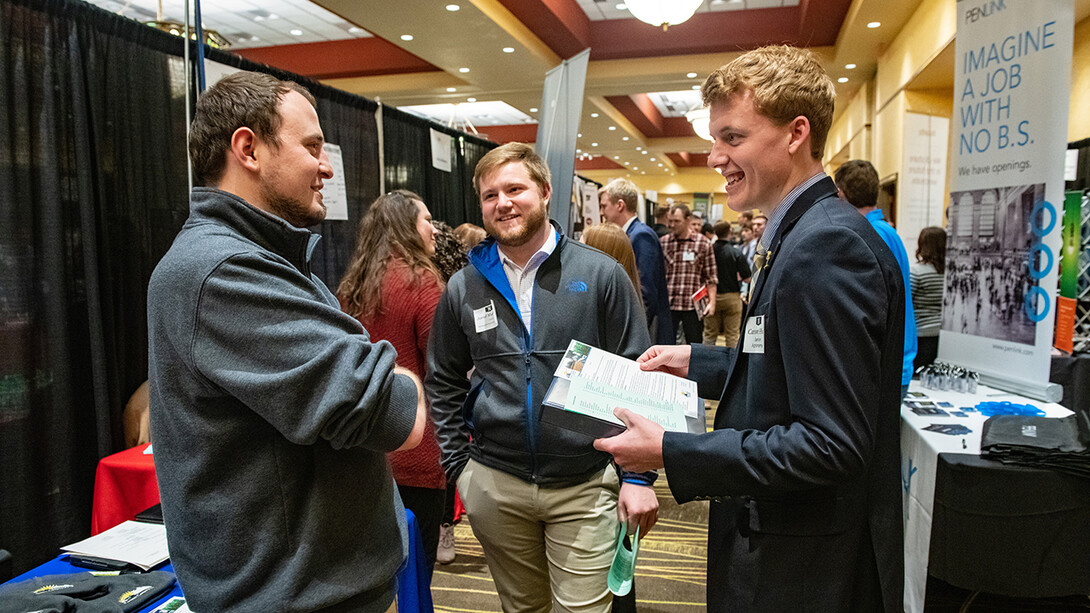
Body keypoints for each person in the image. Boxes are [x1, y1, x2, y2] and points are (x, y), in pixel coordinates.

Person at [593, 45, 905, 612]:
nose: (714, 157)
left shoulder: (825, 247)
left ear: (796, 133)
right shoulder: (804, 233)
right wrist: (698, 361)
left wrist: (672, 450)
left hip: (802, 568)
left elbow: (830, 445)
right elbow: (786, 365)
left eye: (732, 138)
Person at [147, 72, 426, 612]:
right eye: (312, 146)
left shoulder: (265, 261)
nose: (326, 167)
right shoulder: (224, 271)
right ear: (248, 148)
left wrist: (380, 369)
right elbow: (395, 417)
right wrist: (401, 374)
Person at [427, 142, 659, 613]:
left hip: (584, 481)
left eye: (515, 189)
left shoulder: (601, 274)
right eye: (490, 195)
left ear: (546, 192)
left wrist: (638, 476)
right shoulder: (463, 285)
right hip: (495, 480)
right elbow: (443, 377)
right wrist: (460, 469)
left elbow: (639, 373)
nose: (503, 203)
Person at [337, 190, 447, 578]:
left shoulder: (350, 288)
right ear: (406, 228)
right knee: (417, 571)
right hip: (417, 449)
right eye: (426, 220)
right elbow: (443, 371)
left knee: (375, 574)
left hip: (362, 446)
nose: (434, 230)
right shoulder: (424, 284)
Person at [834, 159, 917, 397]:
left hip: (882, 368)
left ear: (840, 193)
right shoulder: (888, 232)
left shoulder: (867, 236)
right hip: (893, 362)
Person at [598, 178, 674, 344]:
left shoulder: (640, 236)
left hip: (647, 333)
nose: (601, 213)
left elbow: (646, 292)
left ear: (619, 205)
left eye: (604, 206)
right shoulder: (631, 234)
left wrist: (631, 335)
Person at [661, 203, 717, 344]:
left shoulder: (703, 244)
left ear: (687, 220)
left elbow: (711, 276)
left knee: (695, 345)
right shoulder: (663, 243)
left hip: (693, 306)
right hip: (669, 305)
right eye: (670, 221)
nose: (672, 225)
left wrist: (712, 302)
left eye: (677, 221)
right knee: (666, 344)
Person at [702, 221, 750, 348]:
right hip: (732, 297)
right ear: (730, 232)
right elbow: (747, 278)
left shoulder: (708, 251)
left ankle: (706, 364)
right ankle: (731, 365)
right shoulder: (736, 253)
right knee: (733, 334)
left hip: (711, 297)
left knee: (709, 334)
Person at [911, 226, 947, 370]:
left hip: (922, 333)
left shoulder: (917, 272)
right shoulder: (949, 273)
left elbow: (906, 302)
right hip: (943, 334)